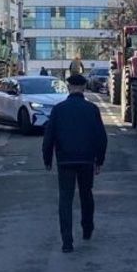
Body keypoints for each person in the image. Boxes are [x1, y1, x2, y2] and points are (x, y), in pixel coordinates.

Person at [42, 74, 107, 253]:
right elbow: (101, 137)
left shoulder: (58, 109)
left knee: (65, 199)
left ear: (69, 87)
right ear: (84, 87)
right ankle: (87, 229)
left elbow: (49, 137)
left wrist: (47, 159)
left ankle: (67, 242)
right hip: (86, 160)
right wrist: (99, 160)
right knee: (86, 195)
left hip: (65, 160)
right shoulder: (92, 109)